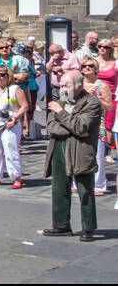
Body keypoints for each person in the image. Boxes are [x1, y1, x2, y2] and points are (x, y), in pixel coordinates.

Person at [43, 71, 102, 241]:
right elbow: (51, 126)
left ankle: (88, 228)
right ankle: (61, 225)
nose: (62, 89)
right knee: (59, 188)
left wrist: (61, 113)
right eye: (61, 85)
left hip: (81, 150)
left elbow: (82, 127)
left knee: (85, 190)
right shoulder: (60, 102)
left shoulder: (91, 103)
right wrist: (71, 127)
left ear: (78, 85)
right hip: (59, 146)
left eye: (66, 85)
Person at [79, 56, 113, 195]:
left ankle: (99, 184)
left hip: (97, 124)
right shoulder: (78, 84)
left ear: (95, 69)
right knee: (79, 153)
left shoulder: (102, 85)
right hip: (79, 122)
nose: (87, 68)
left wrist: (96, 98)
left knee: (97, 155)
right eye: (84, 66)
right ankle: (78, 182)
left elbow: (109, 107)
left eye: (90, 66)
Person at [96, 39, 117, 162]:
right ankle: (95, 149)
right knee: (95, 123)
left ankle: (106, 152)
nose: (102, 48)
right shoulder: (93, 62)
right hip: (95, 96)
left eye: (106, 47)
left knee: (109, 125)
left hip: (112, 97)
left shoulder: (115, 63)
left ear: (111, 49)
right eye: (100, 46)